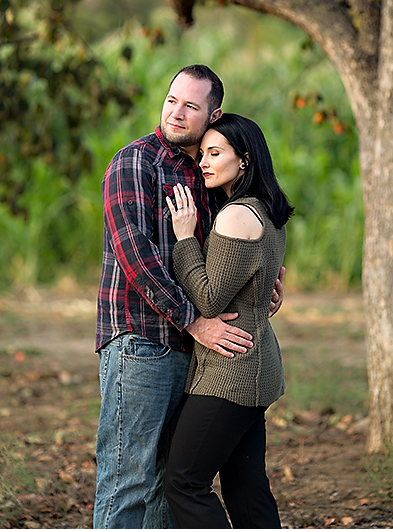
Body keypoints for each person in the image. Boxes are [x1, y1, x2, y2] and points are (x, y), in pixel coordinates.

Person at [93, 65, 284, 528]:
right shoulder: (136, 161)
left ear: (212, 113)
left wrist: (263, 282)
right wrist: (194, 320)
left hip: (196, 351)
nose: (176, 112)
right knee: (130, 480)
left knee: (163, 484)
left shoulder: (206, 172)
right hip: (143, 341)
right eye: (172, 99)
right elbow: (135, 254)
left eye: (191, 106)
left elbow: (230, 251)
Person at [163, 113, 293, 528]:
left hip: (230, 372)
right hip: (256, 363)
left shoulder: (236, 216)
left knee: (184, 482)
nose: (203, 161)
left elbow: (208, 298)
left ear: (245, 159)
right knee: (246, 485)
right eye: (202, 153)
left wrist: (185, 238)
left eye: (215, 153)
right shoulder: (267, 212)